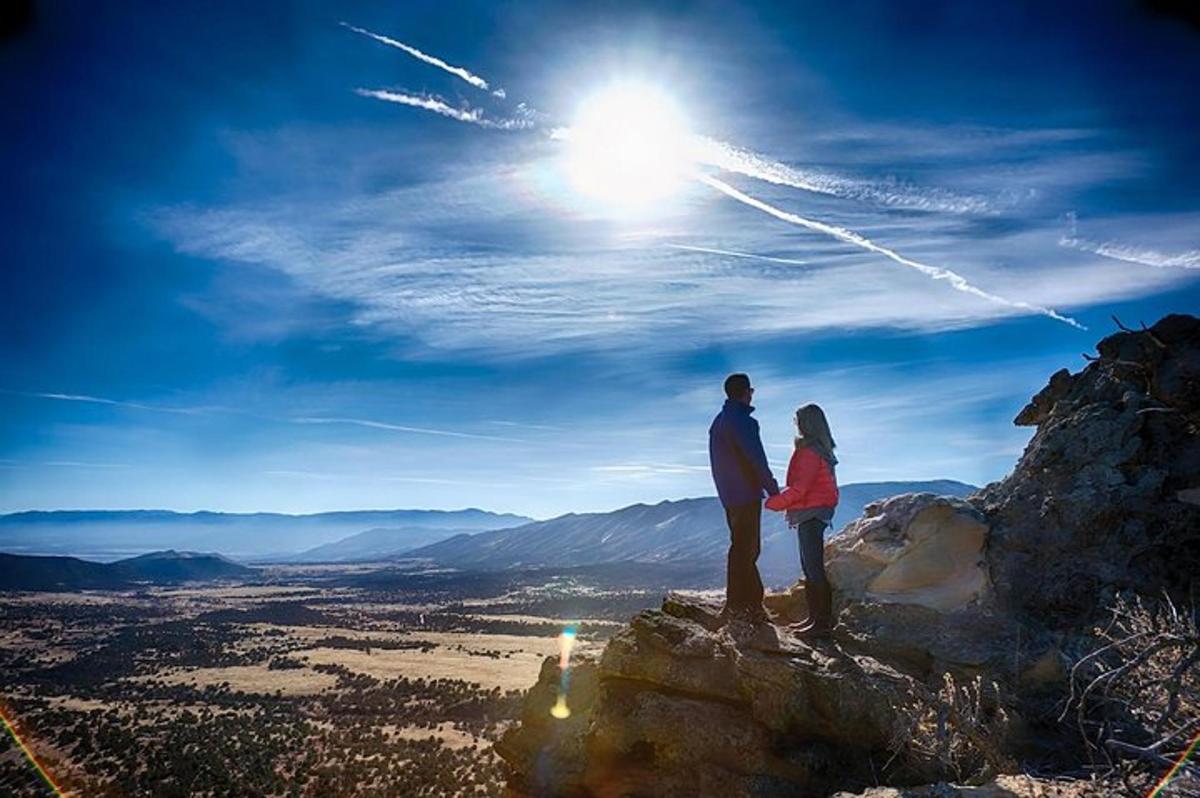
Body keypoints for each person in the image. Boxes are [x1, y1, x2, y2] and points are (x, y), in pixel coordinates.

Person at [708, 373, 780, 625]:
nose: (752, 394)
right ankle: (742, 605)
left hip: (729, 495)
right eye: (751, 390)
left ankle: (747, 603)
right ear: (745, 392)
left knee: (741, 548)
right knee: (746, 550)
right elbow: (756, 458)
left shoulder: (719, 421)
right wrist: (773, 490)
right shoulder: (743, 422)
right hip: (746, 493)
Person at [765, 403, 839, 638]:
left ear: (805, 423)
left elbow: (801, 488)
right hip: (817, 511)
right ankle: (814, 619)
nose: (795, 424)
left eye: (797, 420)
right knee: (810, 567)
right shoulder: (821, 449)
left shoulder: (809, 451)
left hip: (811, 512)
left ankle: (822, 624)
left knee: (813, 568)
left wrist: (773, 503)